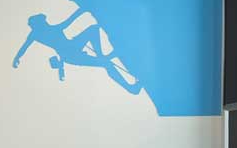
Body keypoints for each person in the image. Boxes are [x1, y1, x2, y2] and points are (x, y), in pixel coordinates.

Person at [13, 9, 141, 94]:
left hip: (73, 48)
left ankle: (102, 57)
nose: (46, 22)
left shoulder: (46, 31)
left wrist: (82, 10)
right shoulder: (38, 33)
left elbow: (68, 21)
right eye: (44, 21)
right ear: (40, 24)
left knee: (93, 30)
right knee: (105, 62)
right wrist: (17, 58)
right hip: (71, 55)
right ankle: (130, 87)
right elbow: (25, 46)